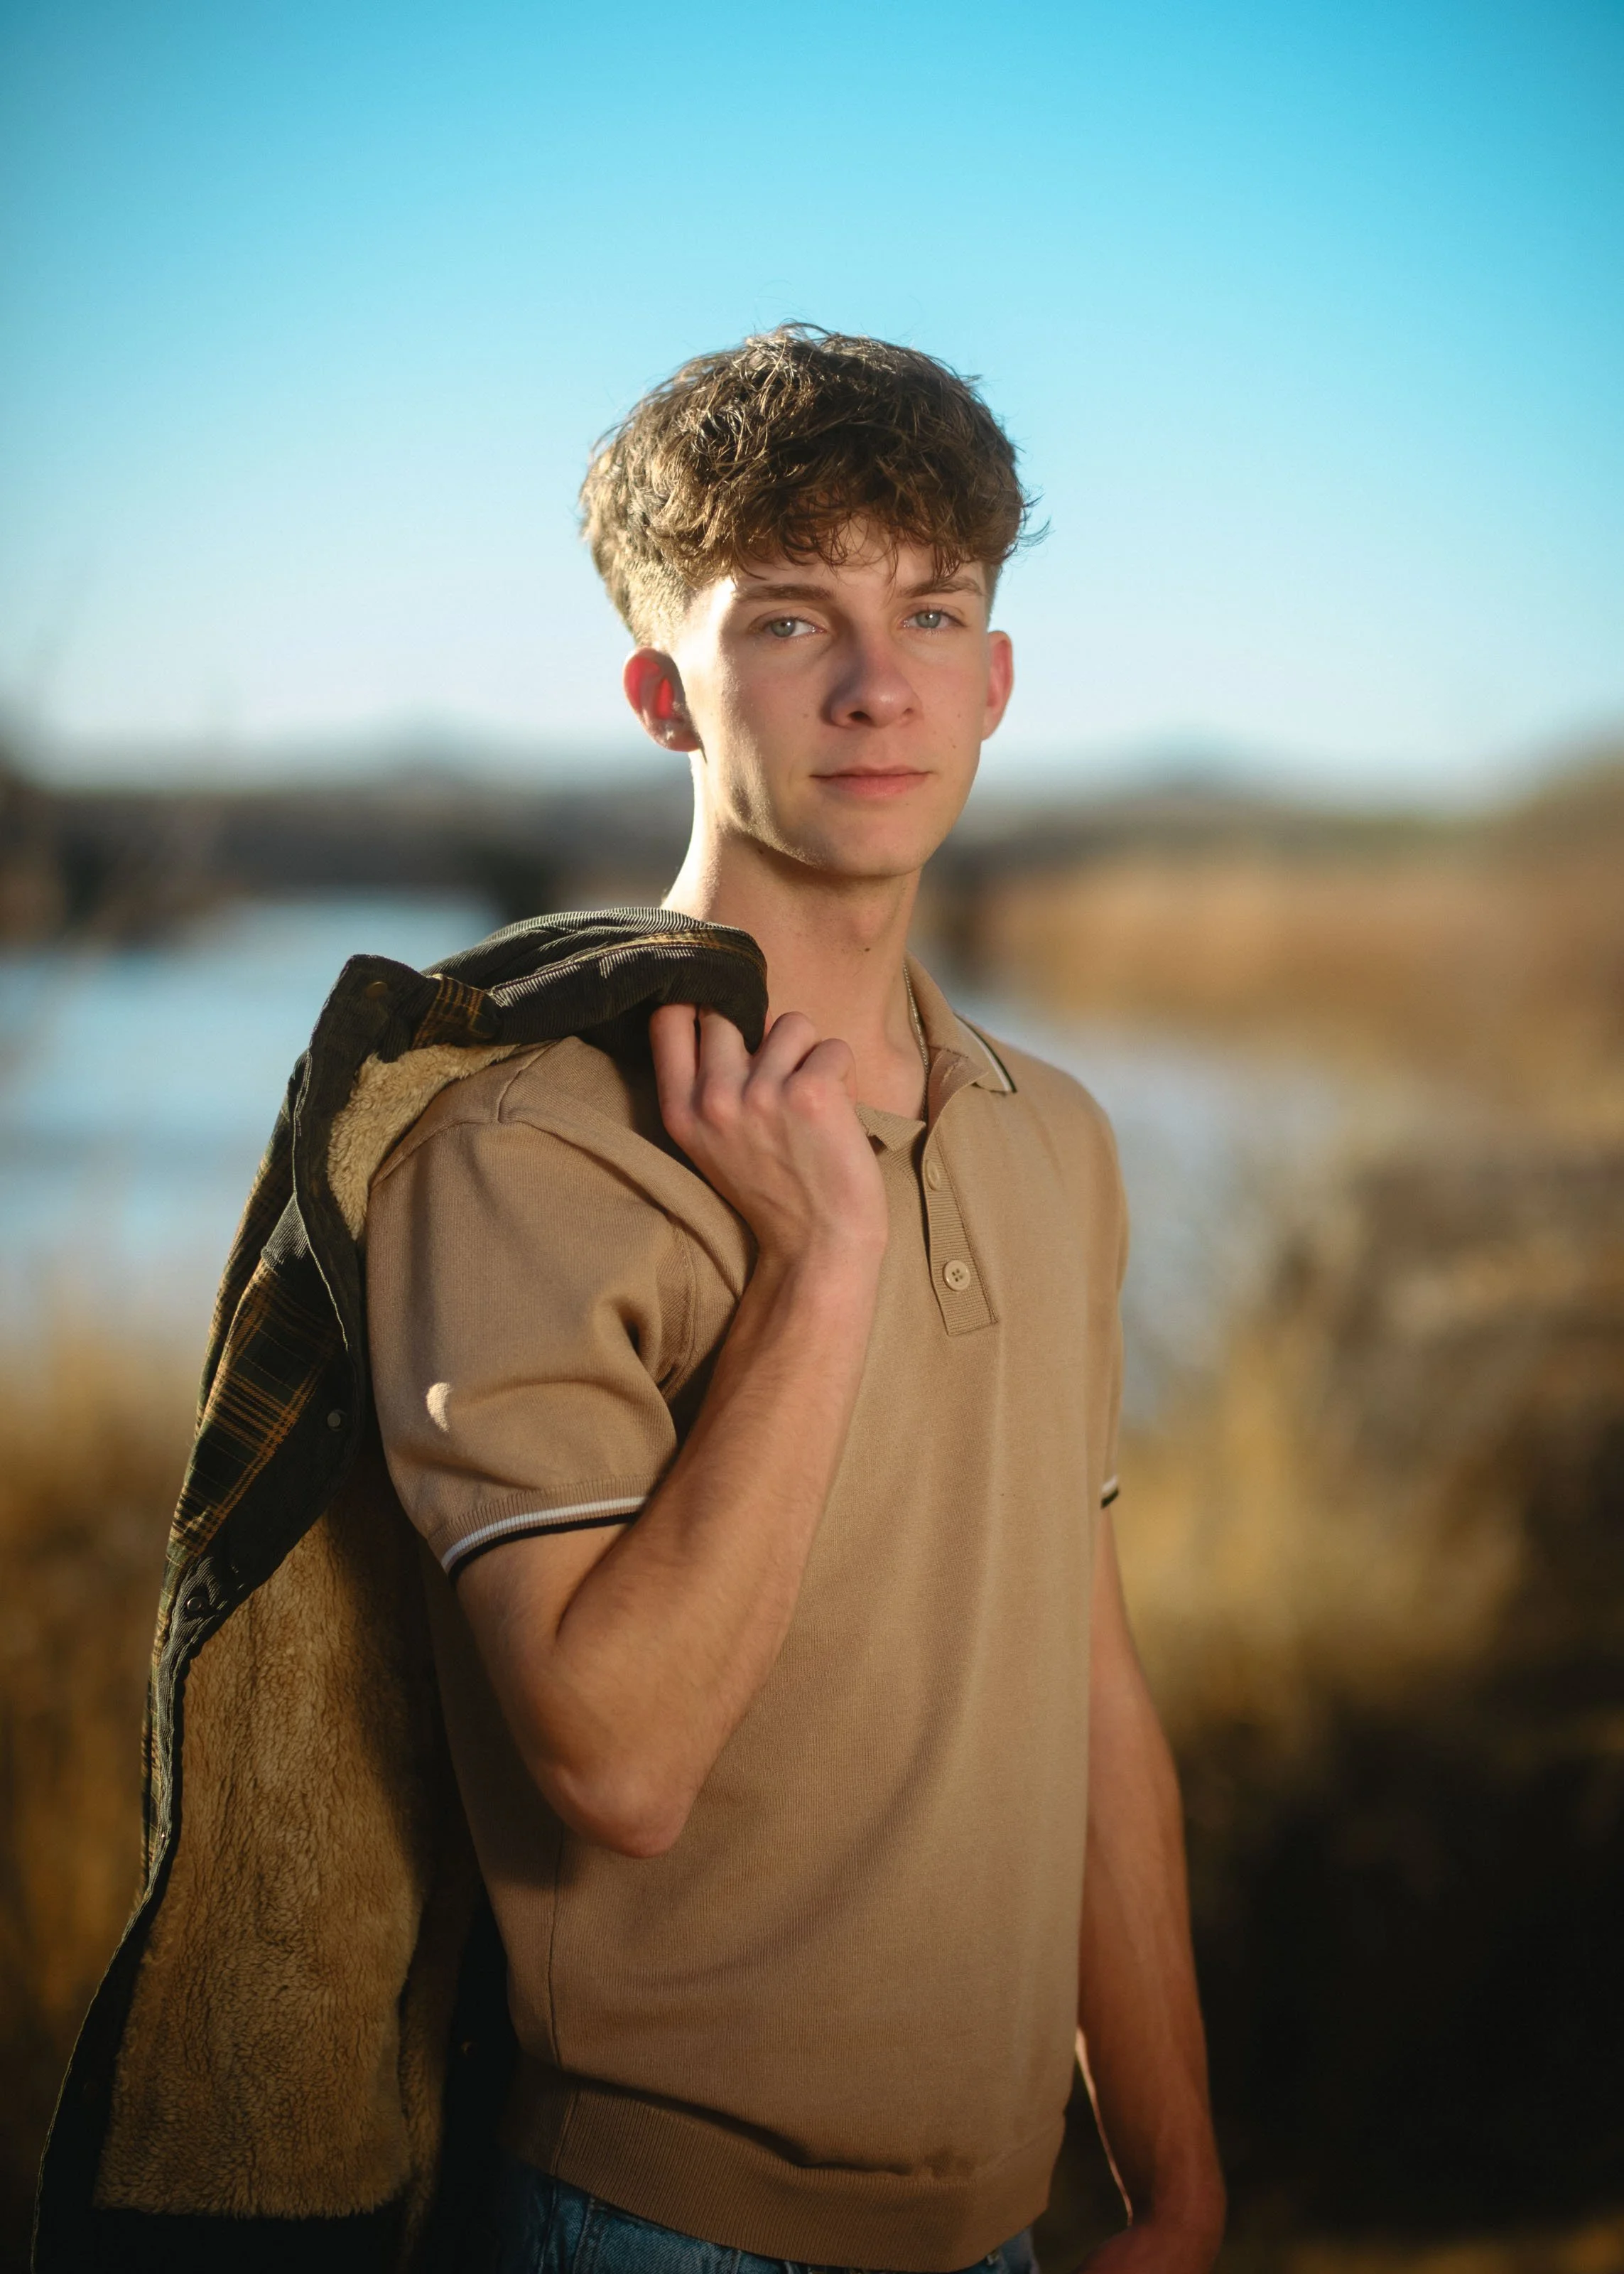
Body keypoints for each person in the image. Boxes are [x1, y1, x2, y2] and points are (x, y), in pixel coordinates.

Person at [364, 325, 1225, 2274]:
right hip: (656, 2227)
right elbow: (615, 1763)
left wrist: (1171, 2181)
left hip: (1001, 2221)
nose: (870, 684)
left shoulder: (1055, 1138)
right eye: (781, 620)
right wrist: (820, 1266)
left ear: (993, 677)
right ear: (661, 692)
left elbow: (1079, 1689)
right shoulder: (528, 1153)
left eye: (930, 610)